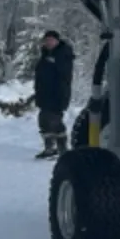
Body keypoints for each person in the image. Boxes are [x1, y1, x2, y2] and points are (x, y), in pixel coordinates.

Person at [33, 29, 74, 160]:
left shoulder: (64, 54)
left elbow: (65, 73)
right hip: (44, 94)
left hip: (58, 94)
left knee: (55, 121)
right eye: (46, 40)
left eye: (51, 40)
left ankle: (63, 149)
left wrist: (54, 63)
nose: (48, 42)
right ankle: (49, 147)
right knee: (43, 121)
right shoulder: (44, 55)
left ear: (57, 41)